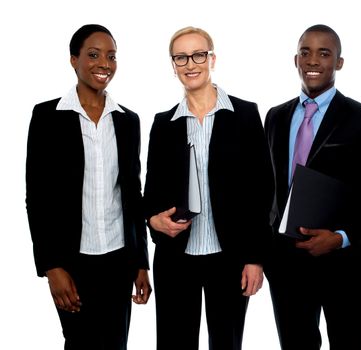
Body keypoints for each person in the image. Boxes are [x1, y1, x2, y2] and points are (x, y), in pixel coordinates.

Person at [143, 26, 273, 350]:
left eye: (198, 54)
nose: (191, 64)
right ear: (172, 65)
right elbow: (151, 193)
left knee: (226, 344)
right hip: (176, 260)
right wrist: (153, 221)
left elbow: (263, 190)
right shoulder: (163, 123)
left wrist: (255, 258)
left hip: (229, 258)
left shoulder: (245, 114)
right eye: (181, 57)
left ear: (212, 59)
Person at [25, 24, 151, 350]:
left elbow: (131, 195)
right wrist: (51, 266)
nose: (104, 64)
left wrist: (140, 262)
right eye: (93, 55)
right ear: (74, 60)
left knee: (115, 344)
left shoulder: (127, 120)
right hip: (71, 261)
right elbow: (37, 198)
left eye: (111, 56)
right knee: (80, 343)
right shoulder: (47, 117)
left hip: (118, 260)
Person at [264, 24, 361, 350]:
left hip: (343, 263)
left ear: (339, 62)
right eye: (306, 52)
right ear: (296, 60)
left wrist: (343, 238)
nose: (313, 60)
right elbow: (267, 189)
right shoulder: (275, 117)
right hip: (287, 264)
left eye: (324, 53)